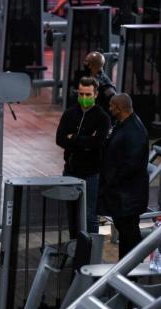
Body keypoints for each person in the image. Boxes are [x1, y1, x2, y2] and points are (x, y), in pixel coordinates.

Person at [55, 76, 110, 234]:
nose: (84, 98)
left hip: (91, 174)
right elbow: (60, 139)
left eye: (88, 95)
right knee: (71, 215)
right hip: (70, 172)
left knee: (89, 215)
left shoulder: (102, 118)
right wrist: (85, 142)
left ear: (96, 94)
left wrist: (74, 138)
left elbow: (97, 143)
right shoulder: (69, 114)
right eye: (82, 94)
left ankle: (91, 252)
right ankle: (74, 249)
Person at [99, 93, 149, 258]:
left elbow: (132, 165)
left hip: (128, 197)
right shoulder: (123, 124)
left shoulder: (134, 131)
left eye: (112, 106)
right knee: (126, 234)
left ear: (119, 108)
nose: (109, 108)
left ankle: (131, 272)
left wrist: (112, 179)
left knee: (130, 234)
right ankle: (125, 270)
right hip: (122, 195)